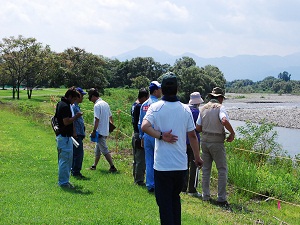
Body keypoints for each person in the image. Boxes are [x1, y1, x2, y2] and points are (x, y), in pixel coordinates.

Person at [142, 72, 203, 225]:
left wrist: (161, 136)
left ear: (162, 89)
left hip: (162, 165)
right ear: (177, 89)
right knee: (175, 199)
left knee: (164, 203)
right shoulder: (185, 109)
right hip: (180, 165)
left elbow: (144, 126)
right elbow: (192, 136)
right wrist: (197, 157)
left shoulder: (155, 108)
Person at [195, 87, 235, 206]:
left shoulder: (203, 108)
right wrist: (232, 133)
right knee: (222, 170)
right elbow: (224, 120)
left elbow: (198, 127)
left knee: (206, 169)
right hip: (217, 142)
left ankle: (205, 195)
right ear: (220, 98)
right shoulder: (220, 108)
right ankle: (221, 198)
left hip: (205, 141)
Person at [55, 87, 82, 188]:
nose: (74, 102)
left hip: (63, 137)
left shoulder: (60, 103)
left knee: (65, 160)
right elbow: (66, 122)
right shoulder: (65, 106)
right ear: (70, 97)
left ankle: (64, 181)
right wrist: (76, 116)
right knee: (65, 160)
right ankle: (63, 183)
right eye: (74, 99)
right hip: (64, 137)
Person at [138, 81, 162, 192]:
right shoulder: (159, 104)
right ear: (156, 90)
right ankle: (157, 184)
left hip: (146, 135)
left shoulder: (144, 104)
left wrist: (142, 136)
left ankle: (149, 184)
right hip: (156, 135)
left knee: (149, 160)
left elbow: (140, 122)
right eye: (160, 89)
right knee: (158, 160)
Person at [88, 88, 117, 172]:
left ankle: (112, 167)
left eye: (90, 98)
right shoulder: (105, 104)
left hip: (99, 131)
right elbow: (111, 118)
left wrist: (94, 131)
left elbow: (97, 119)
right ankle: (94, 166)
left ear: (93, 96)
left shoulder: (97, 105)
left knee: (104, 150)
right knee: (98, 149)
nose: (90, 100)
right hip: (105, 131)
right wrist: (110, 128)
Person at [182, 92, 204, 197]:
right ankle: (192, 189)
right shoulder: (197, 112)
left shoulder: (185, 110)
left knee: (184, 165)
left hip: (183, 140)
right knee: (195, 164)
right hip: (194, 141)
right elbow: (198, 128)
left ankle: (183, 187)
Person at [131, 88, 149, 186]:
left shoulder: (134, 105)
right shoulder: (140, 106)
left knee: (136, 158)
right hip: (139, 134)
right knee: (141, 159)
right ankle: (139, 180)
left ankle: (136, 177)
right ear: (144, 97)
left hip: (134, 133)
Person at [71, 87, 87, 179]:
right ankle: (76, 171)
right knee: (78, 153)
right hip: (76, 133)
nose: (83, 98)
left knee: (76, 152)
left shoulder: (77, 106)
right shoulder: (73, 107)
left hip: (79, 133)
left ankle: (74, 170)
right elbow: (72, 120)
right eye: (82, 95)